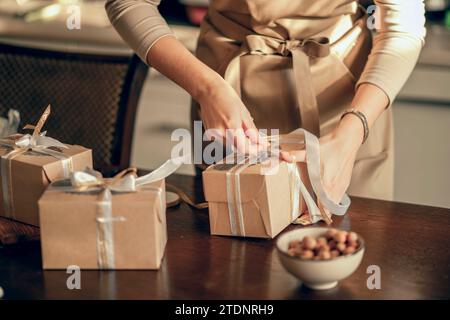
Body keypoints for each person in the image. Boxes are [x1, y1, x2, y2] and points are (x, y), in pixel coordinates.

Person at [105, 0, 426, 203]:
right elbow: (128, 3)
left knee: (350, 256)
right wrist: (207, 89)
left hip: (348, 106)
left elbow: (402, 27)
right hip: (227, 92)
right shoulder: (214, 92)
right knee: (231, 262)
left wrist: (352, 132)